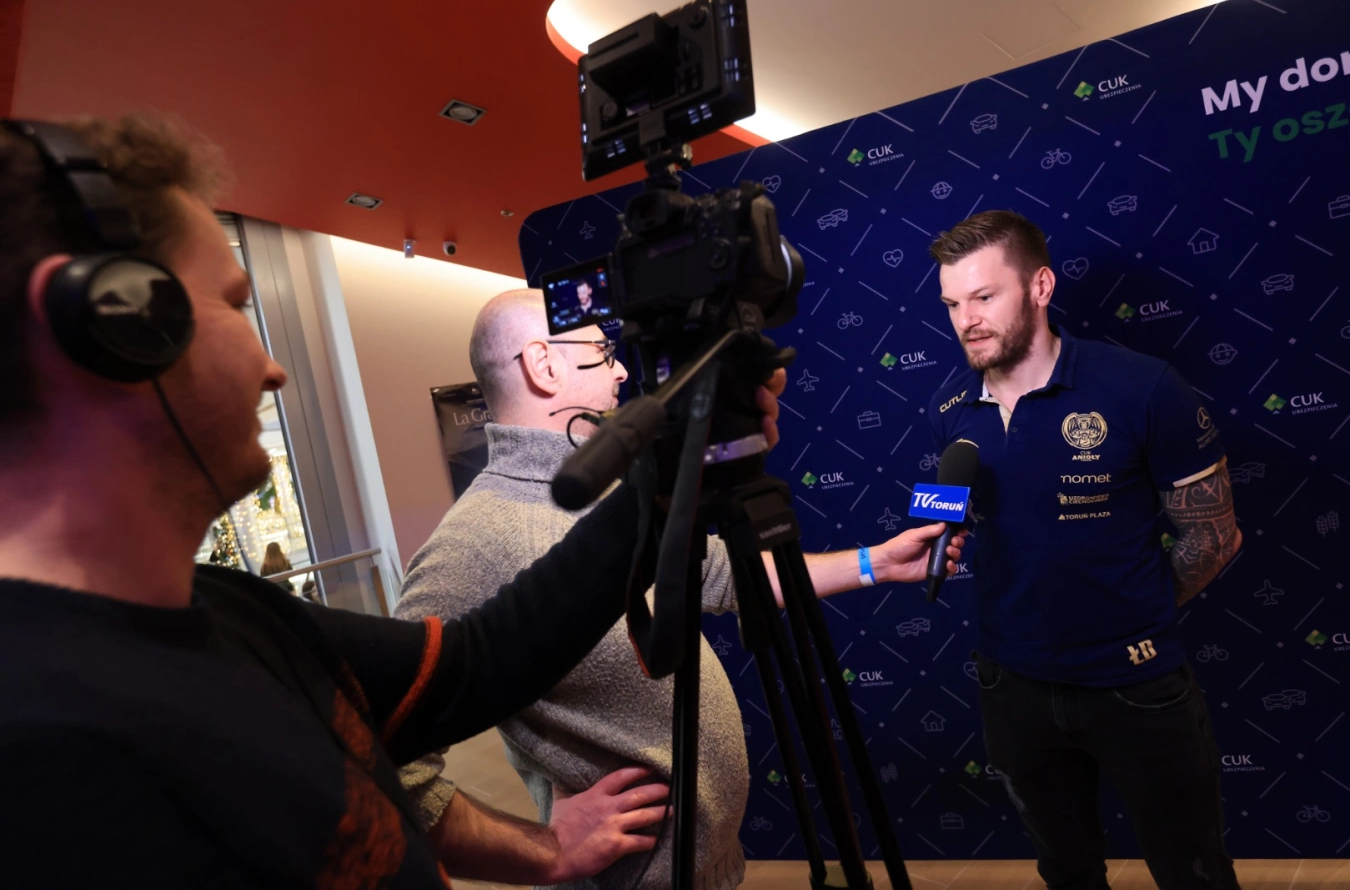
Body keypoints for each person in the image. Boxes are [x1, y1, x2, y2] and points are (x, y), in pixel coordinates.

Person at [0, 115, 789, 887]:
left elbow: (477, 662)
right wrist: (544, 848)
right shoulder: (40, 752)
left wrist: (669, 472)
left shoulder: (236, 611)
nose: (273, 369)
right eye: (235, 305)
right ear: (115, 325)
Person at [394, 289, 966, 890]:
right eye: (602, 351)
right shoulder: (472, 543)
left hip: (711, 867)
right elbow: (387, 763)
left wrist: (878, 563)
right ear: (544, 365)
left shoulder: (612, 492)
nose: (621, 370)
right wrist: (545, 851)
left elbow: (724, 574)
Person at [926, 210, 1242, 890]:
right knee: (1066, 873)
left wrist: (1134, 612)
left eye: (984, 297)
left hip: (1137, 683)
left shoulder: (1142, 387)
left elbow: (1215, 535)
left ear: (1040, 287)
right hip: (1012, 686)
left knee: (1195, 873)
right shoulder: (948, 407)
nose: (966, 320)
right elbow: (950, 517)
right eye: (952, 304)